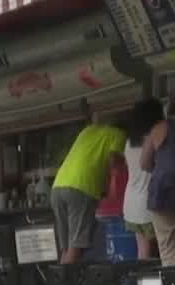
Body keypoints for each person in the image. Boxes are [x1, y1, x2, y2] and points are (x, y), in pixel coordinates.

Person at [50, 105, 127, 264]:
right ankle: (68, 280)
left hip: (58, 187)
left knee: (66, 248)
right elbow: (113, 160)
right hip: (81, 188)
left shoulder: (87, 131)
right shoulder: (119, 135)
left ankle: (60, 278)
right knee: (76, 248)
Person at [141, 87, 175, 266]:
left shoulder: (159, 128)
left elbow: (144, 163)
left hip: (161, 193)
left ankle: (174, 282)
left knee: (170, 249)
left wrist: (160, 168)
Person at [123, 99, 165, 260]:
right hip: (147, 204)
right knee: (157, 253)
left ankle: (140, 277)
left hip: (131, 205)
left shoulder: (129, 142)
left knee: (143, 252)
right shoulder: (154, 139)